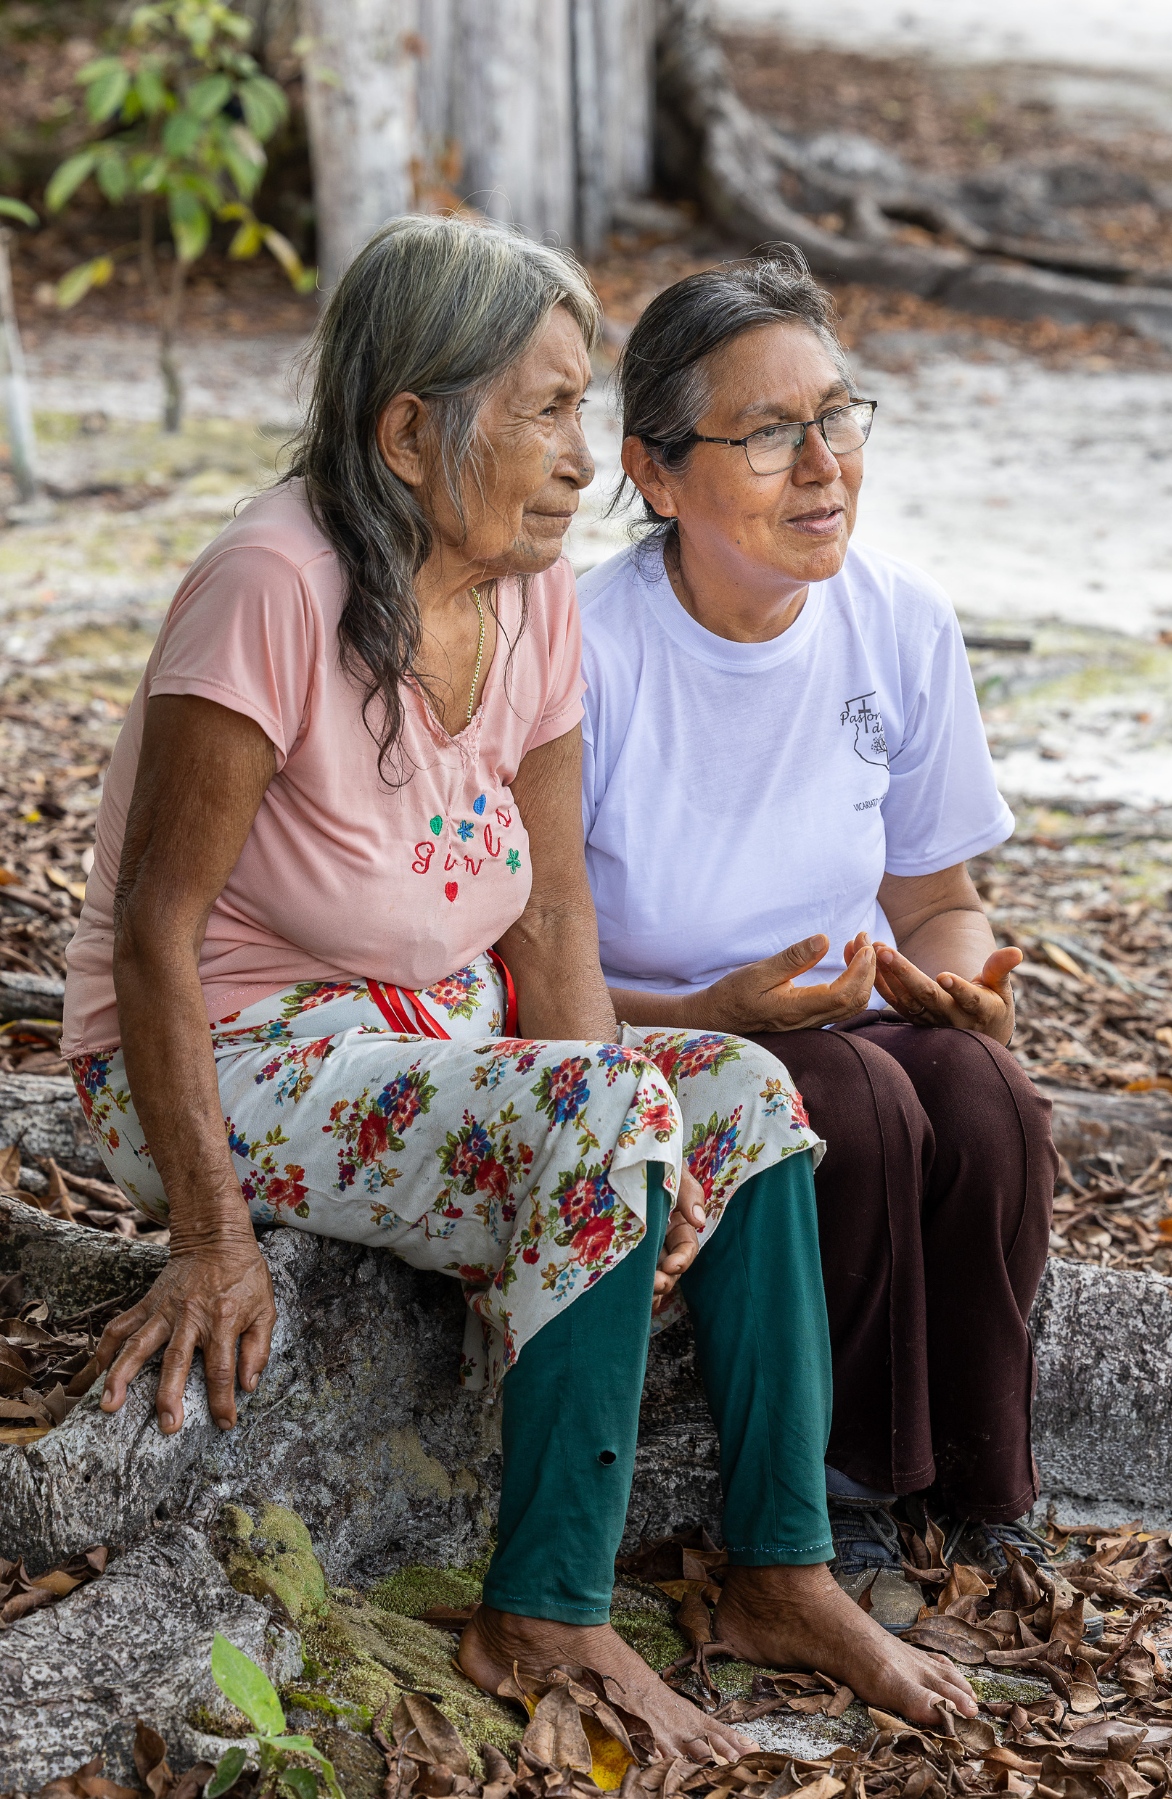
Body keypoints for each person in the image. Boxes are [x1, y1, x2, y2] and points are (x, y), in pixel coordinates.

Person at [61, 217, 977, 1753]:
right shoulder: (271, 583)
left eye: (580, 412)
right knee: (612, 1114)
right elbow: (157, 933)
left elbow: (552, 917)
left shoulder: (530, 591)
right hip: (226, 1053)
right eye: (546, 412)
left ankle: (783, 1568)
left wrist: (609, 1165)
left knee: (744, 1097)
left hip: (437, 1045)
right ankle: (540, 1609)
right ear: (411, 433)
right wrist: (209, 1242)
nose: (580, 459)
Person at [578, 246, 1057, 1619]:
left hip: (852, 1012)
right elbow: (519, 965)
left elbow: (936, 901)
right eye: (773, 433)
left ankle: (979, 1488)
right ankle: (834, 1497)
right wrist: (718, 1013)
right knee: (848, 1095)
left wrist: (962, 986)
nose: (825, 464)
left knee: (982, 1096)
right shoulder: (587, 648)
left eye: (839, 416)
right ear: (657, 475)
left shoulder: (897, 621)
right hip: (648, 1033)